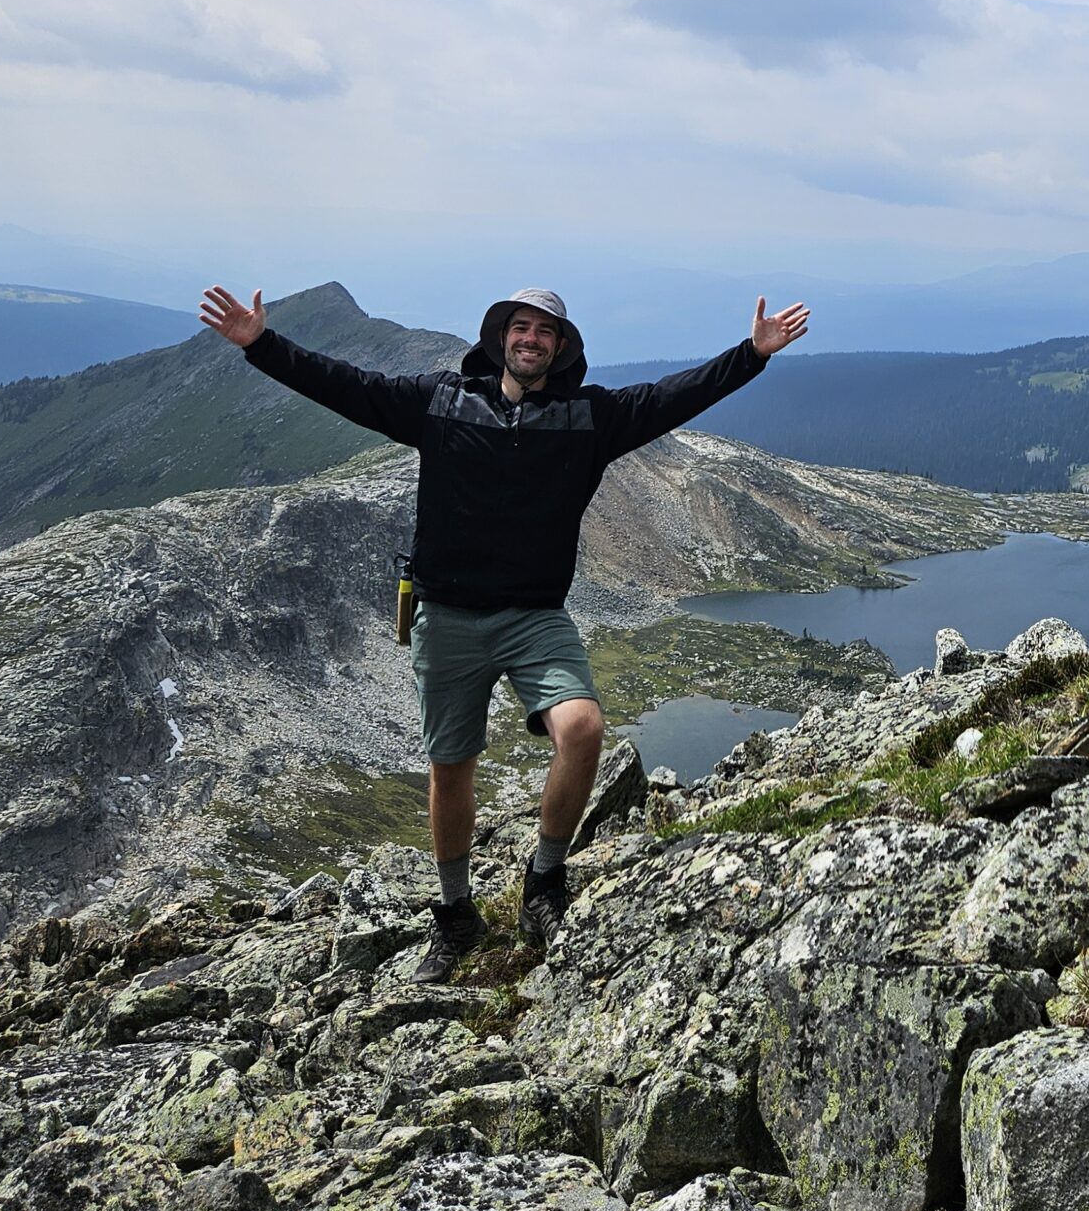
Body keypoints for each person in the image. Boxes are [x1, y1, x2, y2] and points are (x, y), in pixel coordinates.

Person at [199, 282, 809, 982]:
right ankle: (455, 914)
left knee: (582, 730)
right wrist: (262, 346)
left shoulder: (590, 418)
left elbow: (673, 396)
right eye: (520, 328)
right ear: (500, 338)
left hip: (533, 617)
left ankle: (543, 880)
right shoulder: (441, 401)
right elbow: (347, 386)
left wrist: (751, 355)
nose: (531, 339)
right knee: (451, 765)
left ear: (561, 347)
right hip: (446, 615)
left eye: (544, 332)